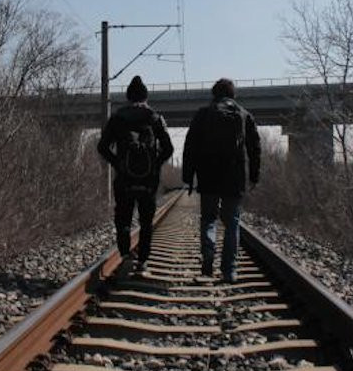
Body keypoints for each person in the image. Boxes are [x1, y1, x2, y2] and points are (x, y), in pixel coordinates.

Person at [182, 78, 261, 283]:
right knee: (232, 223)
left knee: (209, 218)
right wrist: (254, 175)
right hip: (234, 177)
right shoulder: (243, 115)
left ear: (214, 94)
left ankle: (208, 253)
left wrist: (188, 177)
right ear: (233, 95)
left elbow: (190, 147)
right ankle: (229, 270)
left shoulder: (203, 114)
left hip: (208, 175)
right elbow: (255, 148)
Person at [97, 75, 173, 272]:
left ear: (128, 97)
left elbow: (102, 147)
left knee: (123, 217)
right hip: (148, 180)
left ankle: (125, 255)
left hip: (124, 178)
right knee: (146, 221)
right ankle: (143, 261)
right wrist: (155, 164)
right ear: (146, 97)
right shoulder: (155, 118)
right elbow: (169, 149)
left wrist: (118, 164)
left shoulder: (118, 118)